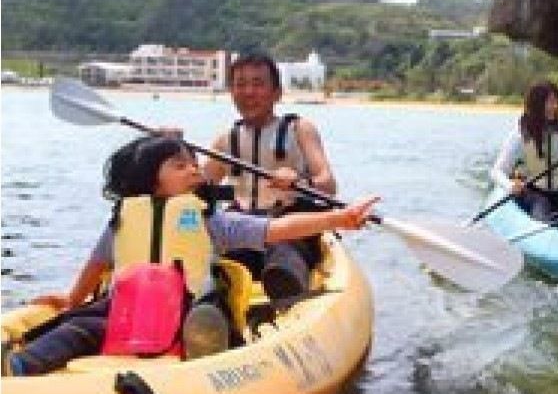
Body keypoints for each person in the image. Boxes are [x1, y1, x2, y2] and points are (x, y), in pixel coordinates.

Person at [5, 136, 378, 376]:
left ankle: (204, 347)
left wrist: (338, 219)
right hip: (127, 313)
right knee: (80, 328)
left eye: (193, 164)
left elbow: (274, 230)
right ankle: (20, 365)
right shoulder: (124, 218)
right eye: (180, 165)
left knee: (205, 316)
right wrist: (73, 300)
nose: (194, 170)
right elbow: (97, 263)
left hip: (186, 306)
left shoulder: (208, 219)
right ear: (151, 181)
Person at [203, 52, 336, 299]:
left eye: (258, 83)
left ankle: (286, 289)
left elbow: (328, 184)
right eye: (240, 84)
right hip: (243, 230)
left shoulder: (300, 130)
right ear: (231, 92)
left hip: (289, 228)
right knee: (223, 263)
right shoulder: (225, 141)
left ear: (277, 93)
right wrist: (169, 149)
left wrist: (299, 182)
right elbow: (197, 188)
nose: (248, 92)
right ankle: (216, 306)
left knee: (284, 255)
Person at [490, 81, 558, 220]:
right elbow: (497, 171)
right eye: (550, 102)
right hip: (537, 194)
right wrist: (510, 185)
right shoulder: (520, 136)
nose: (555, 107)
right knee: (541, 211)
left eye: (556, 102)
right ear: (537, 104)